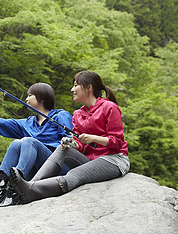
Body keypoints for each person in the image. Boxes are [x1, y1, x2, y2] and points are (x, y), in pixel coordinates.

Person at [10, 71, 130, 205]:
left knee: (75, 174)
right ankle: (29, 186)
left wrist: (93, 138)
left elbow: (118, 142)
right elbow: (79, 145)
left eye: (76, 85)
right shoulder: (78, 114)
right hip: (90, 161)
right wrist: (72, 143)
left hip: (114, 160)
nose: (72, 89)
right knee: (62, 149)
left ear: (89, 88)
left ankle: (32, 190)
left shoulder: (110, 107)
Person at [0, 83, 72, 208]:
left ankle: (16, 186)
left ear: (41, 97)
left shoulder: (61, 115)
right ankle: (1, 189)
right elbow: (0, 124)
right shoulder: (28, 123)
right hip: (36, 172)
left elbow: (69, 140)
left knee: (28, 141)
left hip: (57, 166)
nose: (26, 99)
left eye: (30, 95)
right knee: (16, 143)